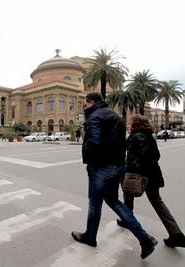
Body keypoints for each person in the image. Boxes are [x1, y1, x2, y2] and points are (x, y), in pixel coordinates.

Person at [71, 92, 157, 259]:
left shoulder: (94, 117)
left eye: (85, 104)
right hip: (118, 166)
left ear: (91, 101)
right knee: (113, 200)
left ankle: (90, 236)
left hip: (101, 167)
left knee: (95, 203)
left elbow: (95, 143)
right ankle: (144, 238)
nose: (84, 106)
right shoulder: (116, 116)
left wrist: (89, 157)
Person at [117, 115, 185, 248]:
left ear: (135, 124)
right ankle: (176, 234)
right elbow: (156, 156)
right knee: (157, 202)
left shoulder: (135, 137)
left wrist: (129, 169)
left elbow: (130, 153)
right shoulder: (150, 136)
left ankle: (128, 219)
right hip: (153, 175)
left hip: (140, 175)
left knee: (128, 192)